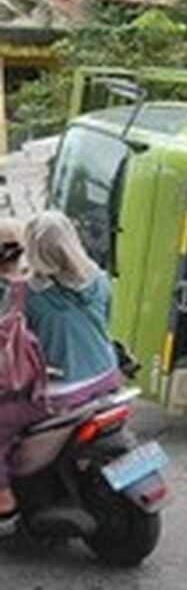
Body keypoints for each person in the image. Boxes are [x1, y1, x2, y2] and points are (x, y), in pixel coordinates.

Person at [0, 212, 123, 535]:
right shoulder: (100, 280)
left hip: (64, 393)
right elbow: (104, 323)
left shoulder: (26, 295)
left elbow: (9, 340)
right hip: (108, 377)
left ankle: (4, 500)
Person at [0, 219, 37, 534]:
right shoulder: (30, 286)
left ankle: (5, 502)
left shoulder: (12, 293)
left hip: (18, 390)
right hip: (38, 386)